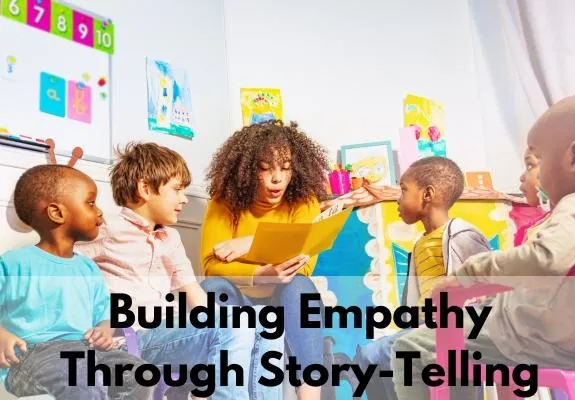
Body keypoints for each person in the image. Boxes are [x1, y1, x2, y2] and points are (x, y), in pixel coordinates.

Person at [392, 90, 575, 400]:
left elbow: (545, 258)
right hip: (568, 344)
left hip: (523, 335)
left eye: (536, 160)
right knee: (452, 332)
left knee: (411, 348)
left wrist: (468, 275)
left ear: (574, 157)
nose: (530, 174)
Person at [75, 142, 281, 399]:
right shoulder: (107, 229)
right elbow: (65, 268)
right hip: (134, 338)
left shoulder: (170, 238)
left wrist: (238, 321)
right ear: (145, 189)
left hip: (171, 329)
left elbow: (196, 299)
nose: (184, 198)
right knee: (235, 324)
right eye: (177, 190)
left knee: (266, 321)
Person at [200, 120, 329, 399]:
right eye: (265, 168)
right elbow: (212, 267)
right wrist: (260, 274)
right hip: (239, 292)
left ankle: (310, 396)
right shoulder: (224, 200)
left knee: (302, 288)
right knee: (213, 290)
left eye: (285, 168)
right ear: (246, 169)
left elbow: (303, 260)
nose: (277, 179)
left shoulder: (304, 200)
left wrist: (247, 244)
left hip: (283, 294)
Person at [1, 164, 151, 399]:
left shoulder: (87, 267)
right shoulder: (13, 264)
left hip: (85, 350)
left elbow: (104, 312)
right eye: (91, 203)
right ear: (57, 213)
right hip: (28, 356)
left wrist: (104, 329)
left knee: (140, 373)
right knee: (81, 377)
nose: (100, 212)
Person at [354, 157, 490, 399]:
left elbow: (486, 287)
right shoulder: (420, 244)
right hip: (427, 330)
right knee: (370, 356)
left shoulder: (462, 234)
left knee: (378, 353)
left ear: (427, 194)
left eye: (404, 189)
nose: (398, 197)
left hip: (458, 331)